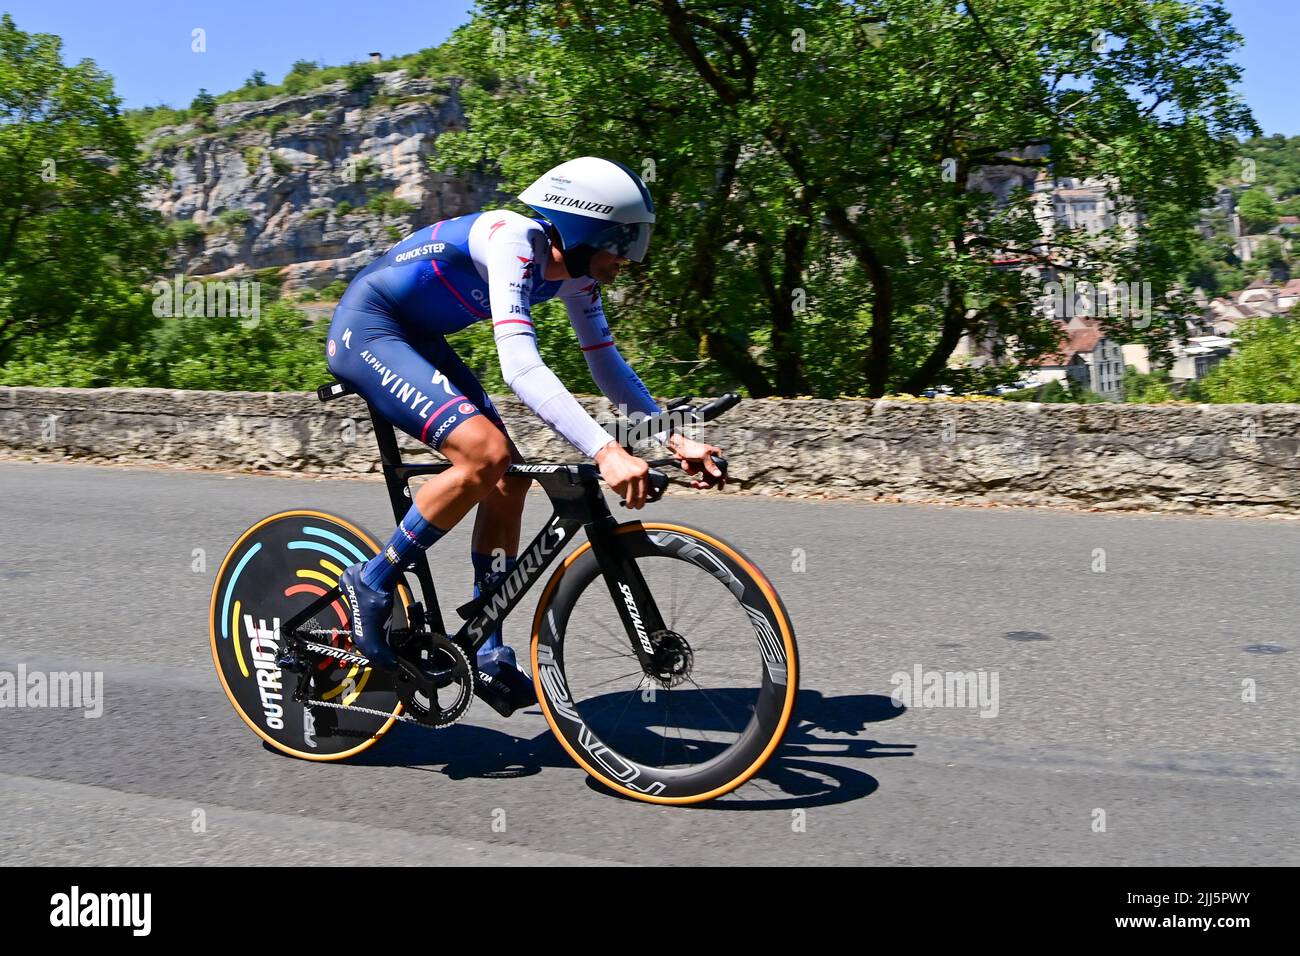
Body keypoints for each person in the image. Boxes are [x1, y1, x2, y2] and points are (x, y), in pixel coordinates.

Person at [324, 156, 726, 715]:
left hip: (419, 337)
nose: (627, 262)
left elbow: (606, 365)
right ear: (587, 229)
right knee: (484, 455)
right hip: (370, 329)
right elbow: (520, 367)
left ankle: (485, 649)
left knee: (508, 482)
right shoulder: (513, 240)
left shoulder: (579, 276)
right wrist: (606, 450)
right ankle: (371, 580)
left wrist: (673, 437)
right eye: (622, 245)